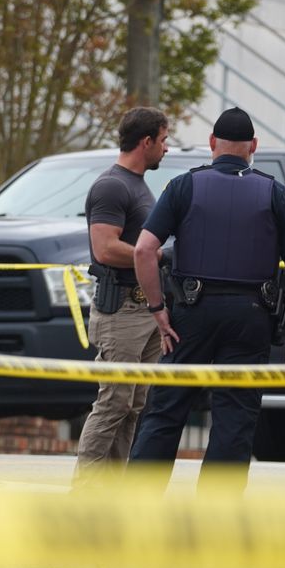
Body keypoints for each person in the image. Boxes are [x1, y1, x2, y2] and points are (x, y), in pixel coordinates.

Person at [126, 107, 285, 492]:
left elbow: (143, 251)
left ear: (212, 144)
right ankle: (216, 517)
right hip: (251, 318)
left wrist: (158, 310)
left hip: (190, 314)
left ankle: (135, 507)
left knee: (165, 410)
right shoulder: (275, 192)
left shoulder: (183, 186)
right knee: (235, 417)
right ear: (254, 147)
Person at [73, 107, 170, 481]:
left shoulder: (138, 184)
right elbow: (105, 248)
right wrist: (153, 255)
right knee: (113, 401)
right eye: (163, 140)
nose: (166, 148)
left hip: (145, 311)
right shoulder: (112, 185)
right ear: (145, 142)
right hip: (121, 311)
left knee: (133, 405)